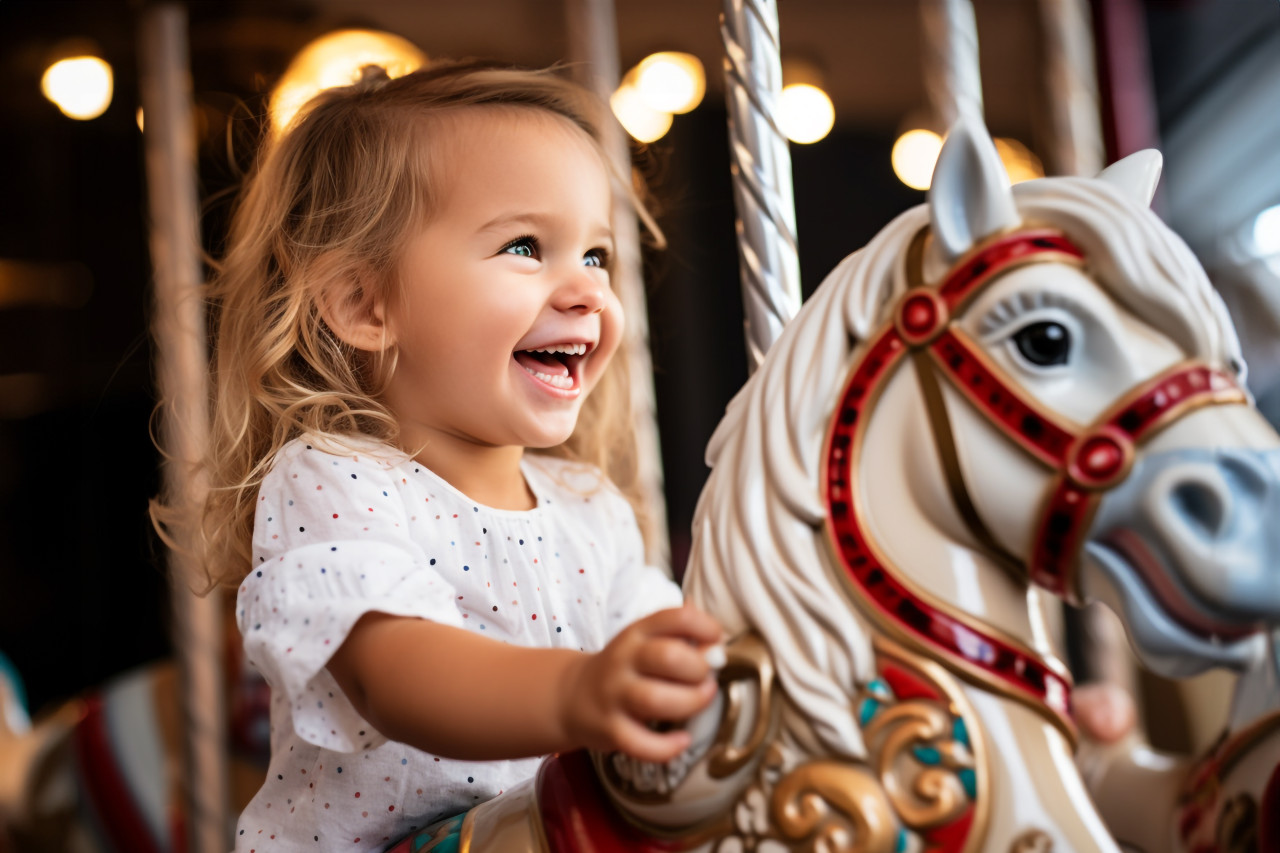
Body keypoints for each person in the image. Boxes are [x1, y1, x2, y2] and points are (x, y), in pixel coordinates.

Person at [153, 60, 722, 851]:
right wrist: (581, 688)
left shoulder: (589, 510)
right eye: (526, 245)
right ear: (363, 304)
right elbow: (398, 675)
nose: (588, 290)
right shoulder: (336, 481)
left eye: (595, 256)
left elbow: (665, 660)